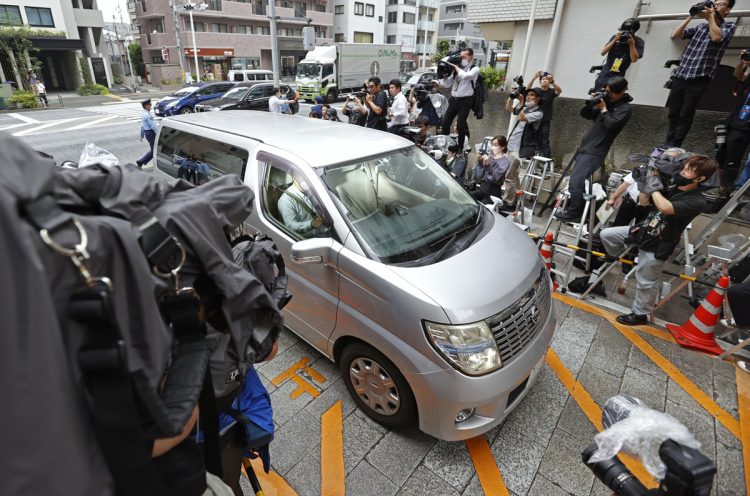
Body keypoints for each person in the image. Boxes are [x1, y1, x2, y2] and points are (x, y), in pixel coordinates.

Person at [600, 156, 717, 325]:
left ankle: (640, 314)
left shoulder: (697, 200)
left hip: (660, 241)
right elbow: (644, 203)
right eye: (684, 168)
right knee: (607, 235)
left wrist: (653, 185)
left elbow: (666, 208)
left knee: (646, 281)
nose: (682, 172)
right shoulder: (673, 187)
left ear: (700, 178)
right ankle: (620, 257)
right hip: (643, 230)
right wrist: (644, 184)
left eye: (688, 171)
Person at [555, 76, 633, 222]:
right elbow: (585, 114)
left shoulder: (624, 109)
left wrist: (604, 110)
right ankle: (580, 211)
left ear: (622, 92)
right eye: (607, 91)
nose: (609, 95)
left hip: (596, 151)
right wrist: (593, 103)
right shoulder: (606, 102)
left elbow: (611, 125)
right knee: (575, 182)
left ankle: (574, 213)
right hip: (586, 147)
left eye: (612, 92)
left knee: (575, 182)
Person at [665, 0, 736, 147]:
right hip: (682, 73)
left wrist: (710, 17)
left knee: (686, 113)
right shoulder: (700, 26)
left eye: (721, 3)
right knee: (673, 111)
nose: (715, 5)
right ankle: (668, 141)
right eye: (714, 3)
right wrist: (691, 16)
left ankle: (676, 144)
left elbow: (716, 38)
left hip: (700, 76)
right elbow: (676, 35)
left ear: (727, 10)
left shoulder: (729, 26)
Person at [715, 53, 750, 199]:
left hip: (746, 127)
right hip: (734, 122)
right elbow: (738, 75)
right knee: (723, 155)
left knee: (734, 160)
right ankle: (722, 188)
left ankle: (729, 190)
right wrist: (743, 62)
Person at [503, 88, 544, 209]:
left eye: (532, 96)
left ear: (538, 99)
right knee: (514, 175)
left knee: (509, 176)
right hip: (512, 144)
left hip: (520, 148)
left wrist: (521, 103)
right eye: (528, 95)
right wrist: (511, 97)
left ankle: (508, 202)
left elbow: (521, 118)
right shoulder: (525, 108)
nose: (528, 97)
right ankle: (515, 199)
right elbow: (509, 109)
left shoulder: (539, 113)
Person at [439, 47, 480, 150]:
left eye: (463, 56)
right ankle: (446, 144)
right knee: (445, 123)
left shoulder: (474, 69)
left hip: (466, 101)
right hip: (454, 99)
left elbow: (466, 76)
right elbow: (447, 84)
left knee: (461, 125)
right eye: (460, 56)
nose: (461, 58)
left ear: (470, 56)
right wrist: (444, 74)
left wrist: (455, 67)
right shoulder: (456, 69)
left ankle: (460, 147)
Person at [594, 18, 645, 92]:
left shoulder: (638, 41)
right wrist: (615, 40)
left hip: (617, 79)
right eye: (623, 31)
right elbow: (603, 52)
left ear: (634, 32)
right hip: (604, 76)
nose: (624, 33)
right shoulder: (615, 37)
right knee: (597, 97)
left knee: (611, 99)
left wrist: (631, 44)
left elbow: (634, 59)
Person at [277, 171, 326, 238]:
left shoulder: (312, 191)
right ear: (295, 177)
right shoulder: (286, 200)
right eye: (304, 177)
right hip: (307, 239)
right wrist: (310, 224)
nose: (308, 180)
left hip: (322, 232)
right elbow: (290, 226)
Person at [529, 71, 562, 158]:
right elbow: (527, 90)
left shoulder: (551, 92)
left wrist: (553, 81)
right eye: (543, 79)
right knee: (532, 139)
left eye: (547, 79)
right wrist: (533, 78)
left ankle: (547, 161)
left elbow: (559, 91)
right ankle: (531, 158)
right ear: (540, 82)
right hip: (534, 119)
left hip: (545, 120)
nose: (545, 80)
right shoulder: (536, 90)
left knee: (545, 141)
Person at [471, 136, 511, 204]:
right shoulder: (490, 157)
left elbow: (493, 178)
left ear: (503, 147)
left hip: (493, 193)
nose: (493, 147)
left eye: (495, 145)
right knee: (467, 197)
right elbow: (479, 175)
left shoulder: (505, 162)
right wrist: (480, 161)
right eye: (492, 145)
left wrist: (488, 165)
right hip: (483, 188)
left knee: (482, 207)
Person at [136, 98, 159, 168]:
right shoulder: (147, 115)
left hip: (148, 133)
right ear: (146, 106)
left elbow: (143, 126)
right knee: (154, 150)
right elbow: (153, 126)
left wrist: (142, 135)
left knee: (154, 149)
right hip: (151, 133)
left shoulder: (144, 113)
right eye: (149, 104)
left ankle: (141, 161)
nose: (150, 105)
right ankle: (141, 161)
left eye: (150, 104)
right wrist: (159, 133)